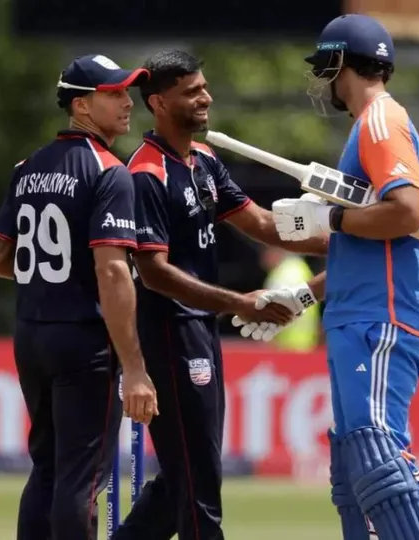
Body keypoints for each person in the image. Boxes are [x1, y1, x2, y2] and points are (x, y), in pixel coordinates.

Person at [243, 14, 419, 540]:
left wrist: (329, 218)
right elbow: (361, 246)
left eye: (326, 68)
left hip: (382, 314)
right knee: (354, 463)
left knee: (375, 448)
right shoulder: (369, 126)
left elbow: (407, 212)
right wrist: (303, 295)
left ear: (341, 63)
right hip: (360, 309)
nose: (324, 81)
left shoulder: (380, 120)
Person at [111, 50, 328, 540]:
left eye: (204, 86)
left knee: (186, 476)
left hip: (198, 330)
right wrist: (239, 303)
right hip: (167, 333)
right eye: (192, 91)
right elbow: (154, 273)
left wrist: (349, 236)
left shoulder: (205, 160)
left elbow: (265, 225)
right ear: (159, 103)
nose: (205, 96)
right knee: (198, 483)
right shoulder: (147, 173)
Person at [0, 54, 159, 540]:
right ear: (81, 106)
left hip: (32, 333)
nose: (127, 103)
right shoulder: (109, 172)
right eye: (114, 94)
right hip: (85, 342)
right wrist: (136, 367)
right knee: (82, 480)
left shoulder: (28, 167)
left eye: (127, 92)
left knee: (47, 469)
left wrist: (50, 280)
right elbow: (114, 274)